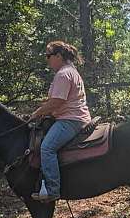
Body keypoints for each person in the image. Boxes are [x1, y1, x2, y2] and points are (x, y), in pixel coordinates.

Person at [29, 41, 91, 202]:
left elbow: (57, 101)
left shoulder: (63, 74)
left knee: (47, 148)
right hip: (75, 117)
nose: (47, 60)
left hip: (70, 120)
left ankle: (52, 190)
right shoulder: (71, 71)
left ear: (58, 56)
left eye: (48, 56)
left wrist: (37, 113)